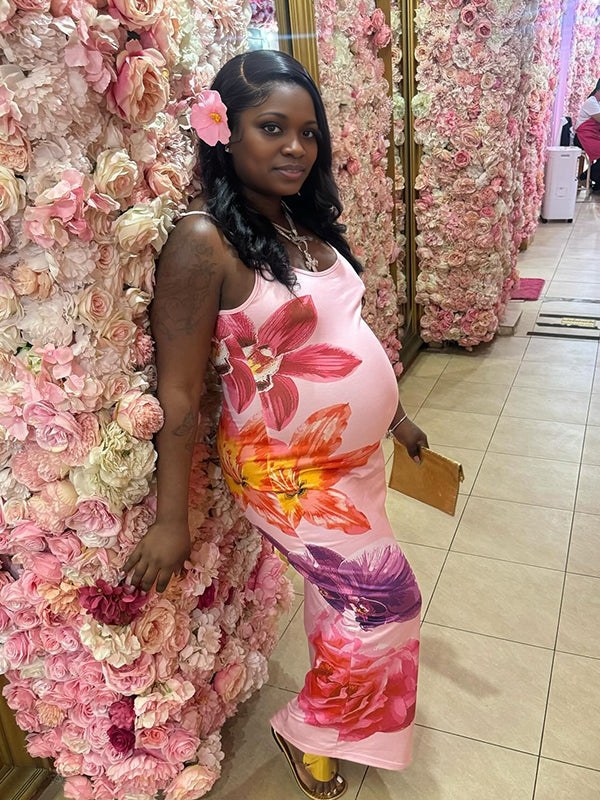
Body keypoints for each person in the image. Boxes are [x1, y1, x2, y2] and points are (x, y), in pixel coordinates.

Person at [123, 50, 428, 800]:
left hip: (350, 461)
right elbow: (181, 393)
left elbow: (342, 332)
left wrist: (395, 415)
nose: (296, 147)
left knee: (341, 596)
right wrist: (171, 520)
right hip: (286, 472)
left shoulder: (299, 221)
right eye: (272, 128)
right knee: (386, 602)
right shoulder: (204, 241)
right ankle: (309, 729)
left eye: (308, 132)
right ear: (224, 133)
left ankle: (337, 718)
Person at [574, 78, 600, 191]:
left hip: (592, 136)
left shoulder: (597, 103)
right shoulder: (591, 102)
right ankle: (585, 177)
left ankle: (595, 182)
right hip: (583, 138)